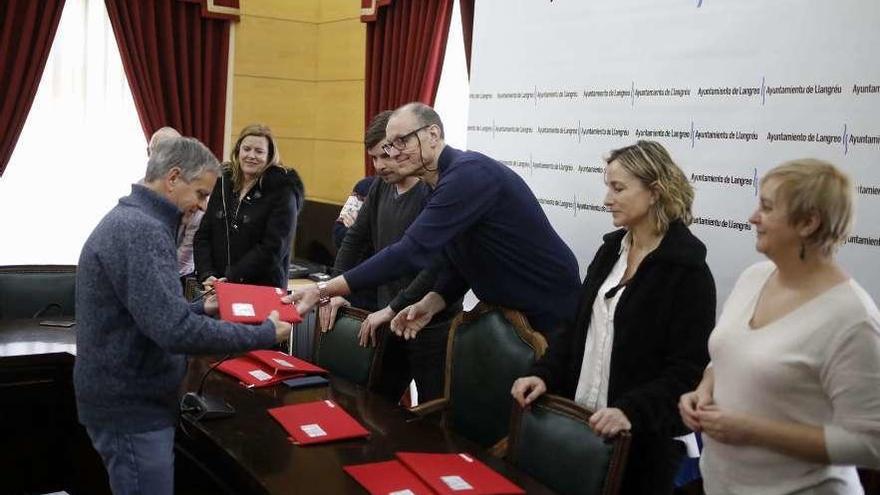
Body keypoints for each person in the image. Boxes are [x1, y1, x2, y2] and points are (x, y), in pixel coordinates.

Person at [74, 137, 292, 495]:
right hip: (132, 408)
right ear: (173, 177)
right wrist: (264, 333)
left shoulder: (134, 219)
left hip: (127, 400)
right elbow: (175, 332)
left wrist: (199, 307)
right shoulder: (141, 230)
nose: (202, 207)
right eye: (201, 194)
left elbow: (147, 314)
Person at [511, 140, 716, 495]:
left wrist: (631, 411)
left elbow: (687, 371)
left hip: (639, 448)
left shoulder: (689, 273)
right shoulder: (610, 252)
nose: (607, 199)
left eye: (618, 188)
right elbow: (577, 330)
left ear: (655, 192)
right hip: (578, 430)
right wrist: (543, 374)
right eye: (608, 186)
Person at [294, 102, 580, 343]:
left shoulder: (468, 175)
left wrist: (323, 289)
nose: (392, 154)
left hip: (547, 308)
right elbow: (459, 259)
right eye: (389, 145)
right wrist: (434, 301)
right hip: (509, 311)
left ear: (433, 134)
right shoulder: (440, 183)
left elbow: (409, 252)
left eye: (401, 142)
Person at [679, 159, 880, 494]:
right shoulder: (753, 278)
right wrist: (703, 390)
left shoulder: (852, 318)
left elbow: (871, 444)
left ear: (808, 222)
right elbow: (729, 355)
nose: (753, 217)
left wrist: (752, 430)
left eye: (767, 207)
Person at [324, 110, 461, 402]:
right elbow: (353, 240)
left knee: (429, 412)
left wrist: (396, 306)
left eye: (385, 156)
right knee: (375, 403)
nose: (380, 166)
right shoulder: (377, 188)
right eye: (374, 158)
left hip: (429, 323)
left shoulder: (432, 192)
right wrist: (335, 288)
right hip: (386, 315)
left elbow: (434, 265)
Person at [194, 124, 304, 290]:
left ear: (269, 156)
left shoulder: (283, 190)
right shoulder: (222, 182)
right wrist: (207, 274)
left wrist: (231, 277)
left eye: (259, 151)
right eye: (246, 149)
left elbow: (273, 248)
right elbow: (203, 235)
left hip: (260, 290)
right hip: (214, 287)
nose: (251, 155)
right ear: (238, 151)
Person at [333, 176, 376, 250]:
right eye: (376, 163)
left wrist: (357, 230)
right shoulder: (364, 186)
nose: (381, 166)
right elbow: (338, 234)